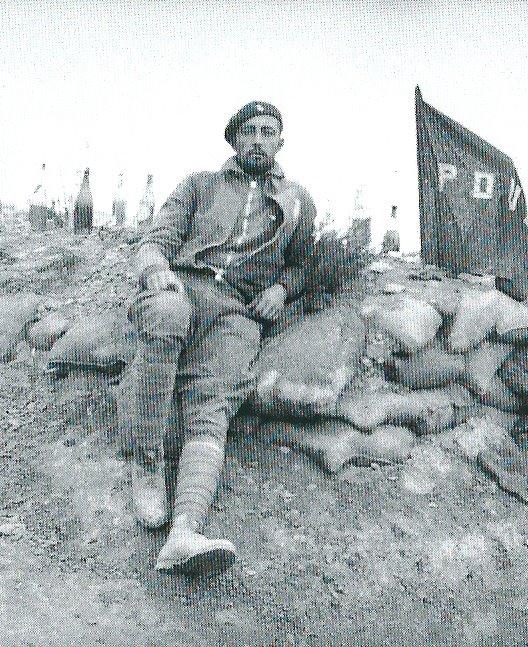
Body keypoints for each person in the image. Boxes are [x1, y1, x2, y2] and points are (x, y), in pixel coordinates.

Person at [125, 101, 316, 575]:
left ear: (280, 142)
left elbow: (304, 262)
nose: (257, 139)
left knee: (213, 403)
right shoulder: (198, 185)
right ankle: (147, 466)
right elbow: (156, 241)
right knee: (166, 316)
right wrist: (157, 275)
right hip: (184, 288)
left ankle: (185, 531)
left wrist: (281, 288)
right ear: (232, 141)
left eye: (267, 132)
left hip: (238, 310)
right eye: (247, 131)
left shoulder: (296, 200)